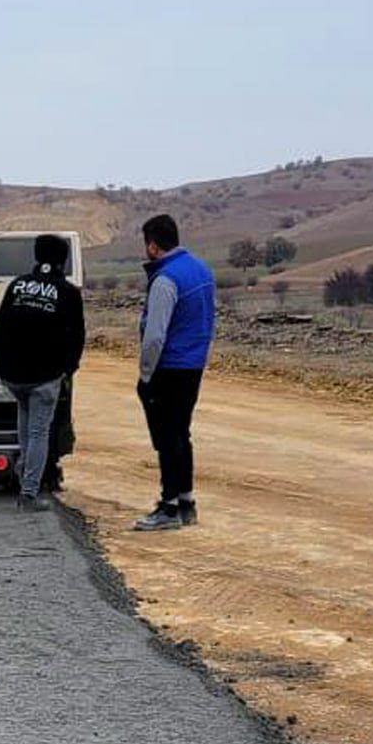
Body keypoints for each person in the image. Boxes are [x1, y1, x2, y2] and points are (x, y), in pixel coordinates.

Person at [0, 234, 84, 511]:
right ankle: (29, 493)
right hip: (45, 376)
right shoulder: (68, 293)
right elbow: (77, 337)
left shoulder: (17, 286)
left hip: (14, 376)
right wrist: (68, 370)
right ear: (62, 261)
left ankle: (24, 471)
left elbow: (0, 328)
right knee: (39, 432)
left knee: (25, 426)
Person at [132, 213, 216, 531]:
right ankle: (186, 501)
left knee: (167, 438)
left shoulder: (166, 280)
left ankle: (168, 507)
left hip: (168, 367)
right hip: (193, 365)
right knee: (181, 433)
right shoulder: (201, 270)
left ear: (153, 246)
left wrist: (146, 375)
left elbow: (155, 335)